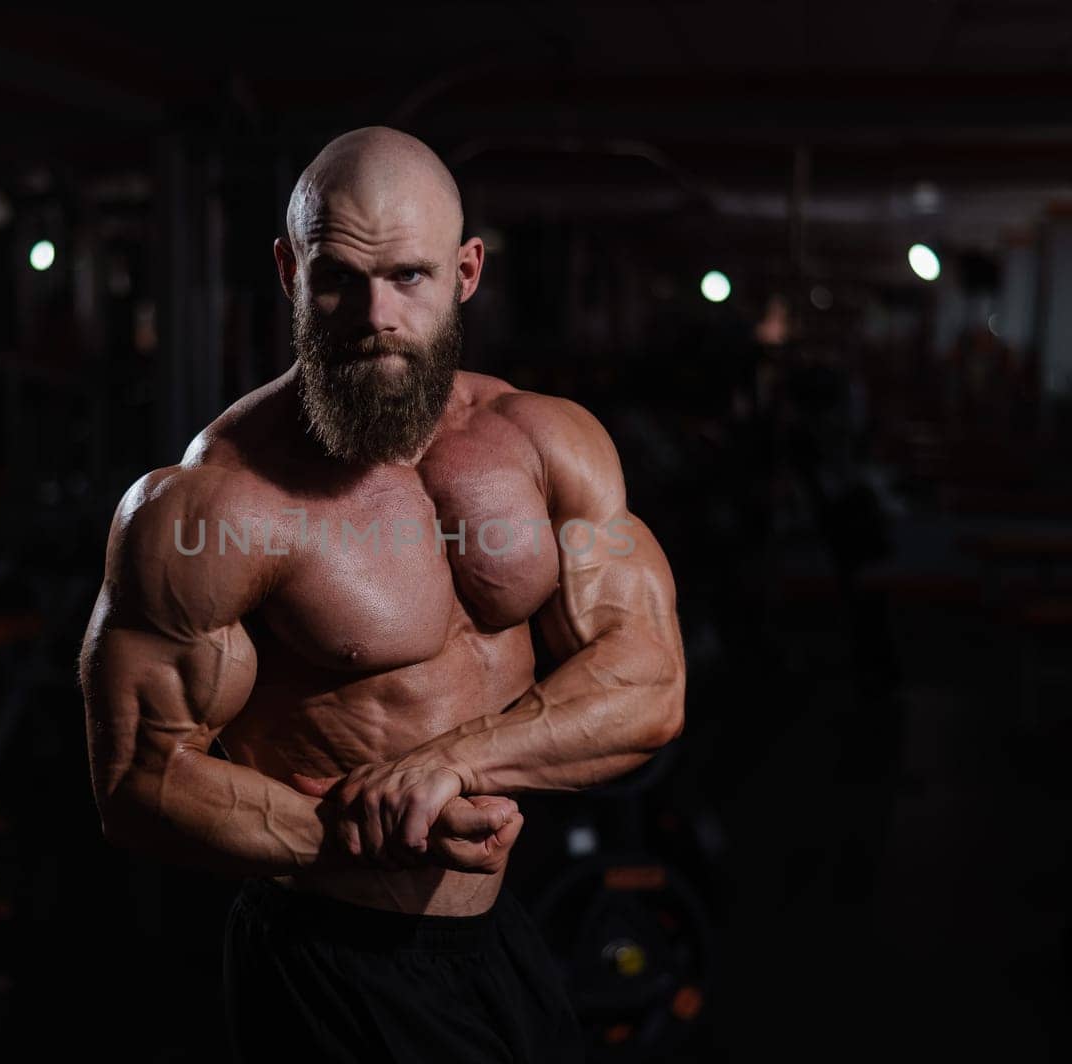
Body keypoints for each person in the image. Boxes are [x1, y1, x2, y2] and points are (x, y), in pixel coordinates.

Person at [78, 126, 686, 1063]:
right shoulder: (210, 506)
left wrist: (452, 764)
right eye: (337, 278)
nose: (376, 315)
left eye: (409, 276)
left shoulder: (547, 443)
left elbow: (649, 683)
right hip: (327, 962)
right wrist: (357, 835)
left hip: (497, 941)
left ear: (467, 271)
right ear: (288, 269)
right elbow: (136, 781)